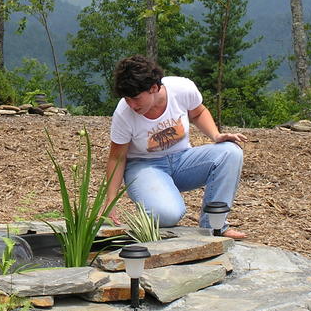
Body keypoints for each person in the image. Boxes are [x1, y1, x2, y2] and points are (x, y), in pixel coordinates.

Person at [105, 55, 247, 239]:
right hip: (145, 166)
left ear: (154, 88)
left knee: (231, 152)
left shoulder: (181, 88)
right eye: (126, 99)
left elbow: (198, 112)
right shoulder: (123, 114)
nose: (131, 104)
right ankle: (153, 202)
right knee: (168, 214)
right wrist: (110, 201)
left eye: (135, 98)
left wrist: (216, 135)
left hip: (182, 159)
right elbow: (117, 157)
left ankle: (215, 226)